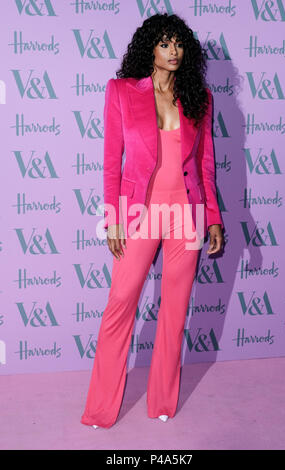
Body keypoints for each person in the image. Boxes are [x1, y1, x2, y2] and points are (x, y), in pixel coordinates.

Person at [81, 12, 224, 429]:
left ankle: (161, 403)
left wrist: (212, 218)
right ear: (151, 49)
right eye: (165, 43)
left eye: (179, 43)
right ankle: (101, 409)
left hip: (188, 213)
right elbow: (112, 162)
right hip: (138, 212)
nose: (173, 50)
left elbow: (206, 165)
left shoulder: (200, 96)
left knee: (175, 312)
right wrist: (113, 219)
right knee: (121, 303)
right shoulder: (122, 91)